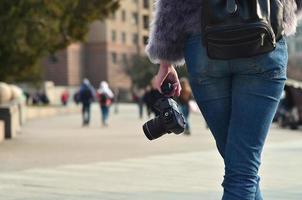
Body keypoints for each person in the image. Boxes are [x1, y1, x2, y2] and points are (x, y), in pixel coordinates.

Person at [145, 1, 302, 200]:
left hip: (204, 45)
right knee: (242, 169)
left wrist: (165, 62)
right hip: (264, 38)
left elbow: (171, 5)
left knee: (241, 168)